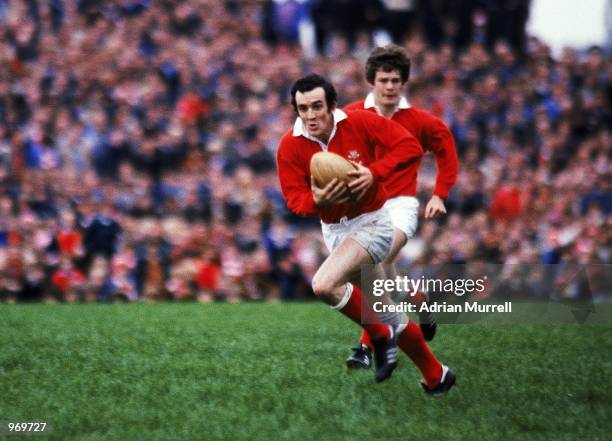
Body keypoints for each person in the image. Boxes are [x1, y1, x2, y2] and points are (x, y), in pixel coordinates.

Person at [277, 74, 455, 394]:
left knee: (324, 284)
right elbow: (294, 200)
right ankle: (436, 374)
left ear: (332, 105)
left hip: (372, 223)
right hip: (334, 231)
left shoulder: (359, 122)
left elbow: (410, 148)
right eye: (303, 108)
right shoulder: (290, 144)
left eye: (318, 106)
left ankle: (378, 335)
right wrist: (318, 200)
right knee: (387, 310)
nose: (311, 114)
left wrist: (374, 173)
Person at [342, 45, 459, 389]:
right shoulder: (349, 116)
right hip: (364, 208)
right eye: (384, 80)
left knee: (371, 262)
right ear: (372, 81)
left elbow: (446, 151)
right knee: (378, 277)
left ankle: (367, 346)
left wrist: (440, 193)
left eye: (396, 80)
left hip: (400, 206)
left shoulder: (420, 121)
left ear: (404, 82)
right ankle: (416, 296)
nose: (390, 86)